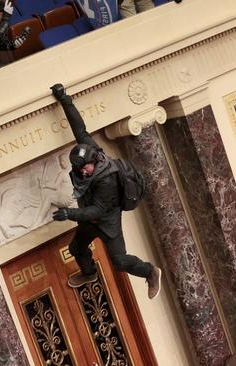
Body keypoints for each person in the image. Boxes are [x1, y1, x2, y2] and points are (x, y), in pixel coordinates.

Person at [50, 83, 162, 299]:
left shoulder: (106, 179)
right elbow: (79, 128)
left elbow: (97, 210)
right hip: (89, 220)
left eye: (85, 168)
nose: (82, 172)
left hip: (106, 221)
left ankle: (150, 272)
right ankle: (89, 273)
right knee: (76, 249)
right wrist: (65, 99)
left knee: (119, 262)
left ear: (94, 161)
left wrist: (69, 214)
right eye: (78, 169)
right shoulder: (89, 150)